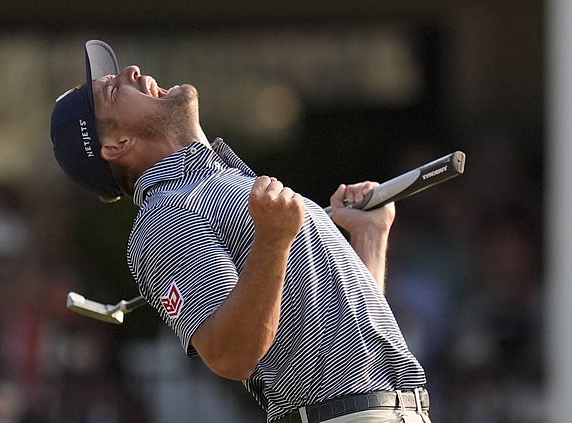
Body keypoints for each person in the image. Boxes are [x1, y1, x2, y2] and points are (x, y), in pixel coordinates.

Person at [50, 40, 431, 423]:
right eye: (114, 90)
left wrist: (369, 237)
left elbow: (349, 340)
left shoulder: (223, 184)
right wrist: (272, 241)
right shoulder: (164, 216)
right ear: (118, 145)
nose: (132, 71)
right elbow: (229, 355)